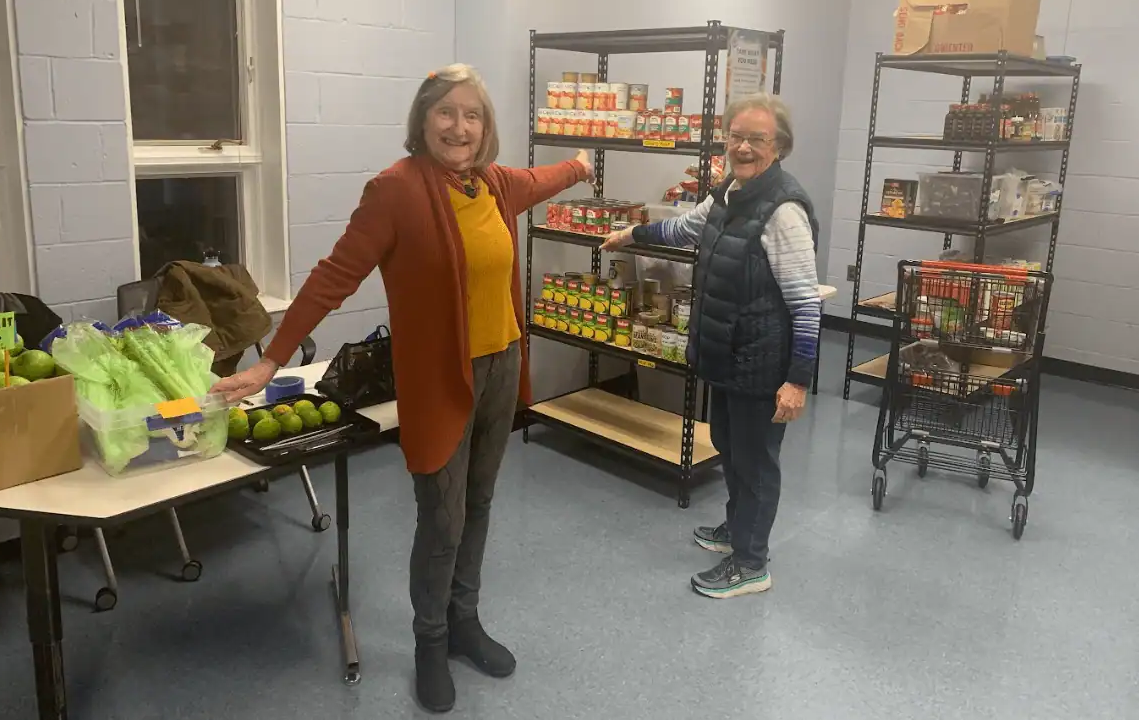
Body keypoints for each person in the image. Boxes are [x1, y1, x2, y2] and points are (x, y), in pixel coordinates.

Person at [211, 64, 594, 712]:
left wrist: (580, 164)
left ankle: (464, 622)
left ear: (485, 126)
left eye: (472, 114)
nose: (459, 126)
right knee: (441, 516)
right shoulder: (395, 190)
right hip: (440, 378)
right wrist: (269, 361)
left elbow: (540, 179)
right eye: (445, 112)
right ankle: (430, 638)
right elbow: (334, 275)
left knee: (478, 502)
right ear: (421, 120)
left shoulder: (494, 185)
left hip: (500, 367)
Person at [602, 93, 820, 600]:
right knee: (729, 446)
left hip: (763, 361)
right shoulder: (728, 193)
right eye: (735, 136)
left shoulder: (783, 210)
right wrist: (631, 233)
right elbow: (685, 228)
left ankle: (751, 563)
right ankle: (736, 530)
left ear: (780, 147)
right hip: (728, 352)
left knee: (756, 461)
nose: (743, 147)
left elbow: (806, 304)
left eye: (756, 139)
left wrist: (797, 380)